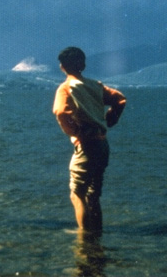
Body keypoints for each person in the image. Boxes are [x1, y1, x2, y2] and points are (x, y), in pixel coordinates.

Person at [53, 46, 126, 233]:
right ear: (83, 64)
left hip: (85, 146)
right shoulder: (95, 85)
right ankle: (97, 237)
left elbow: (60, 111)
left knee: (77, 194)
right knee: (93, 195)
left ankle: (85, 242)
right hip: (102, 144)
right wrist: (110, 119)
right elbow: (119, 99)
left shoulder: (66, 88)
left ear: (62, 66)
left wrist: (74, 131)